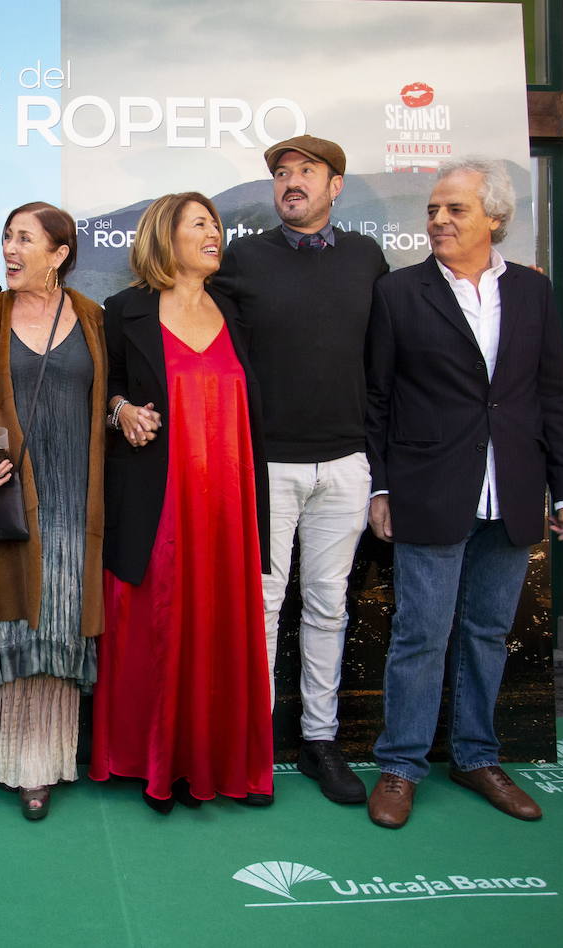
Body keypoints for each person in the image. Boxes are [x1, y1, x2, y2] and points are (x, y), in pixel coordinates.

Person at [363, 157, 563, 829]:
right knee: (420, 635)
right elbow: (378, 398)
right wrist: (380, 485)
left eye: (454, 210)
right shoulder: (399, 293)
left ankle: (476, 756)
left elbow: (552, 395)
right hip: (430, 487)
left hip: (514, 492)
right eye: (433, 209)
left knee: (488, 633)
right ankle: (401, 767)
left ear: (495, 218)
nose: (438, 220)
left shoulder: (529, 292)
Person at [211, 134, 388, 805]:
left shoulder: (368, 258)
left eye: (306, 172)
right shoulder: (244, 257)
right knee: (262, 606)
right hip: (268, 464)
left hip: (346, 463)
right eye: (282, 173)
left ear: (335, 185)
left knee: (328, 606)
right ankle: (254, 745)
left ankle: (320, 740)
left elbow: (384, 365)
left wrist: (381, 467)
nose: (291, 183)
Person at [89, 193, 273, 812]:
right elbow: (101, 388)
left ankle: (220, 761)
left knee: (223, 626)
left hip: (228, 507)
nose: (215, 232)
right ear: (166, 238)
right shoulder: (124, 311)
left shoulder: (237, 311)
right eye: (200, 224)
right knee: (154, 626)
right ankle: (151, 763)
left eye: (215, 223)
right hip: (158, 504)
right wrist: (121, 411)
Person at [0, 202, 106, 820]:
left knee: (59, 626)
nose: (9, 250)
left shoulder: (92, 318)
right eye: (6, 236)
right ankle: (11, 760)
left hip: (73, 502)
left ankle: (47, 761)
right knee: (10, 621)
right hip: (3, 498)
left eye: (24, 240)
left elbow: (108, 396)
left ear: (59, 254)